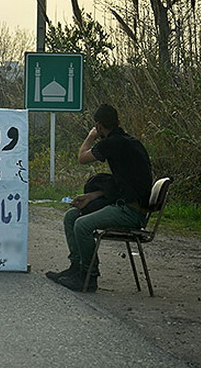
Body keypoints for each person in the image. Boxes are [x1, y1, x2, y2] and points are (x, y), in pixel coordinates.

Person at [46, 104, 153, 292]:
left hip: (130, 212)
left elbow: (82, 157)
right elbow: (126, 183)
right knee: (72, 216)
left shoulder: (112, 142)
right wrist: (93, 195)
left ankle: (88, 277)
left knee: (82, 225)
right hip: (127, 205)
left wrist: (91, 135)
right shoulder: (128, 142)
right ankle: (76, 268)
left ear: (99, 126)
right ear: (119, 122)